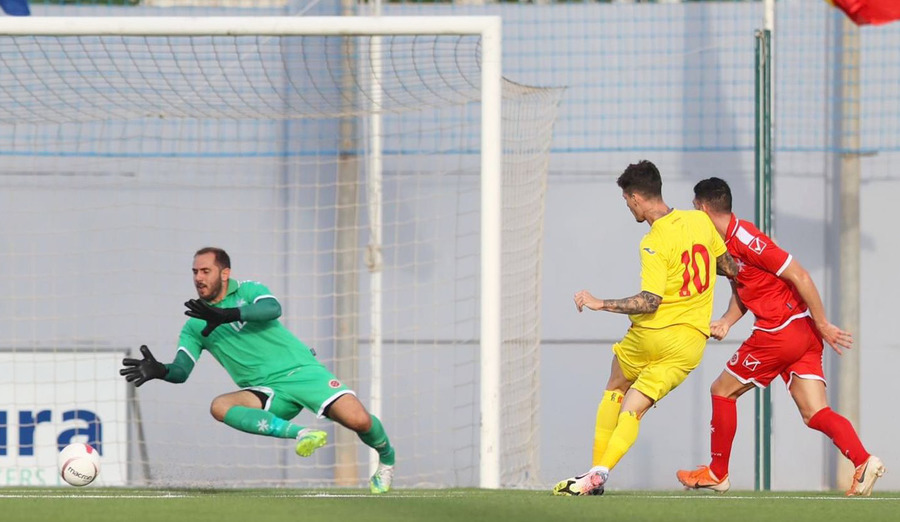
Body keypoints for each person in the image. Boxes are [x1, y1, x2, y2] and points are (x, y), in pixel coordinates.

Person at [120, 247, 396, 493]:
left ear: (225, 273)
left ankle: (386, 461)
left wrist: (228, 315)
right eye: (194, 272)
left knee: (359, 421)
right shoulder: (195, 325)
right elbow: (181, 371)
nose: (198, 278)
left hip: (300, 371)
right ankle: (301, 433)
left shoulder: (248, 291)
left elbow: (272, 308)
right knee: (220, 406)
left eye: (206, 271)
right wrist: (160, 370)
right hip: (264, 390)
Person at [677, 177, 884, 496]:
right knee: (815, 413)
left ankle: (717, 473)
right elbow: (744, 288)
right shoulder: (723, 245)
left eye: (694, 208)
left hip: (780, 331)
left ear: (704, 208)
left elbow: (799, 274)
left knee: (722, 390)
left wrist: (825, 322)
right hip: (801, 332)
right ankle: (863, 460)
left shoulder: (746, 237)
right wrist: (728, 322)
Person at [553, 160, 738, 496]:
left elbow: (650, 301)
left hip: (651, 335)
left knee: (616, 386)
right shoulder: (700, 221)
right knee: (634, 408)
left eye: (626, 201)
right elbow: (729, 267)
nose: (628, 207)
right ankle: (598, 473)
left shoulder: (652, 241)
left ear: (636, 197)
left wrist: (601, 303)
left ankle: (594, 473)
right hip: (690, 342)